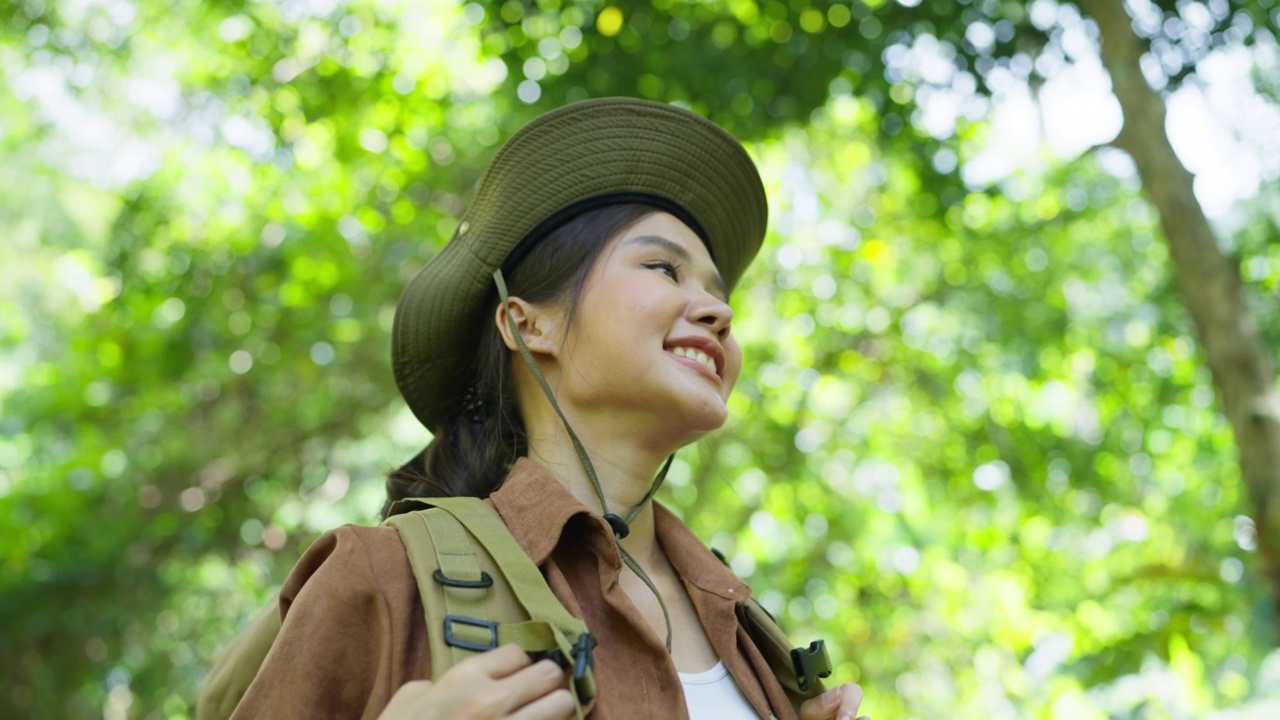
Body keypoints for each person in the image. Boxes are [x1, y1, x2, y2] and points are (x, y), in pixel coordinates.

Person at [225, 98, 868, 720]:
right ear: (527, 325)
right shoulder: (381, 577)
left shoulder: (758, 641)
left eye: (718, 293)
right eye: (663, 269)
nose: (719, 312)